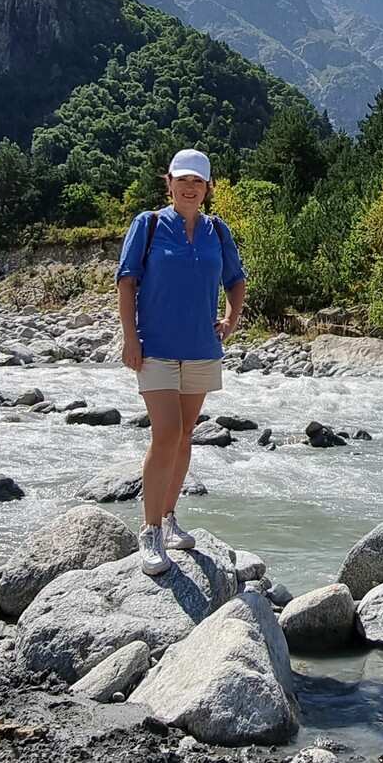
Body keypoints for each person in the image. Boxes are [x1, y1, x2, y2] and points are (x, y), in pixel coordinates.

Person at [116, 148, 246, 574]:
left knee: (186, 435)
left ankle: (169, 518)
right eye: (182, 180)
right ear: (169, 183)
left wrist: (230, 319)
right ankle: (150, 531)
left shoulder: (216, 231)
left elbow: (236, 280)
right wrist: (130, 337)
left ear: (208, 189)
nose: (190, 188)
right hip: (154, 348)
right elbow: (127, 282)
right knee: (166, 433)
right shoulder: (148, 225)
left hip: (201, 349)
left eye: (198, 182)